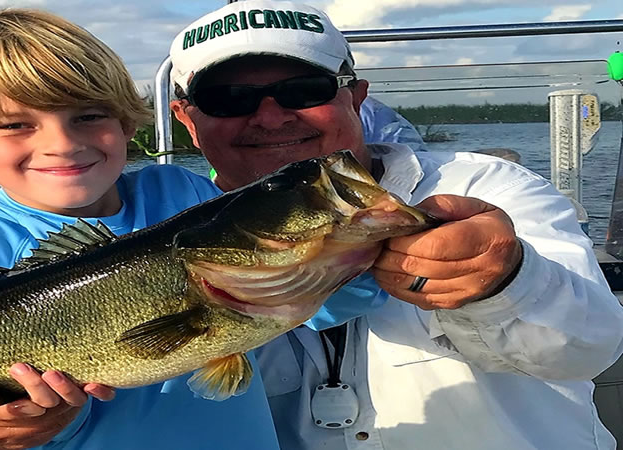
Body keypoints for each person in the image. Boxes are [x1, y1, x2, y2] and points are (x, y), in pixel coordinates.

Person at [0, 8, 419, 450]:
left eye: (89, 116)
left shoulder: (180, 193)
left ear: (125, 121)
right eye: (15, 125)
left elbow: (319, 307)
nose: (63, 143)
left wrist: (360, 248)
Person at [168, 1, 623, 449]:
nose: (270, 117)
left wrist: (506, 282)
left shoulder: (487, 188)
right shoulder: (161, 236)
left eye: (304, 89)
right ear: (187, 119)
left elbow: (593, 347)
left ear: (356, 96)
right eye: (227, 100)